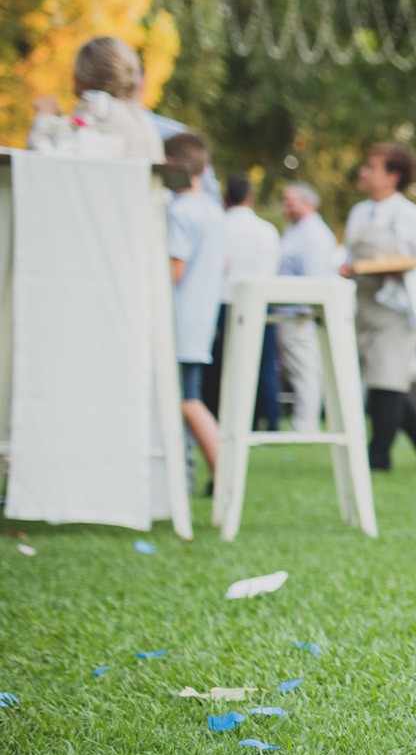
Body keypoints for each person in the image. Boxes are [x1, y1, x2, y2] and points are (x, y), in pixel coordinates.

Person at [340, 142, 416, 471]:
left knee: (386, 382)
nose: (363, 172)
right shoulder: (359, 213)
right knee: (385, 381)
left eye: (371, 167)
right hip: (364, 305)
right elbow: (349, 257)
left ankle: (378, 458)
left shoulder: (411, 217)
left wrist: (399, 268)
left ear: (392, 176)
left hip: (397, 311)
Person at [162, 133, 227, 490]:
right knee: (189, 396)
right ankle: (204, 473)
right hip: (202, 317)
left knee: (187, 400)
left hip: (179, 320)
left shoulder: (180, 211)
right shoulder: (213, 212)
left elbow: (175, 270)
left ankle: (224, 471)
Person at [27, 36, 164, 163]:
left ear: (84, 79)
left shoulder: (99, 113)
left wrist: (44, 119)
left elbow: (51, 165)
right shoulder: (143, 121)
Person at [218, 174, 284, 430]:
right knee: (265, 366)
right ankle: (271, 421)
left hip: (227, 302)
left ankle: (235, 420)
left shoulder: (221, 226)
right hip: (263, 302)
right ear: (250, 197)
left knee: (228, 366)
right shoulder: (267, 230)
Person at [274, 181, 337, 430]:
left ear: (309, 204)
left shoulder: (313, 234)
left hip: (300, 313)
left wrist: (306, 309)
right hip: (288, 311)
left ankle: (305, 423)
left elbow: (314, 275)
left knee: (305, 369)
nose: (286, 207)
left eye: (292, 202)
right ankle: (304, 421)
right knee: (297, 368)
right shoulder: (296, 230)